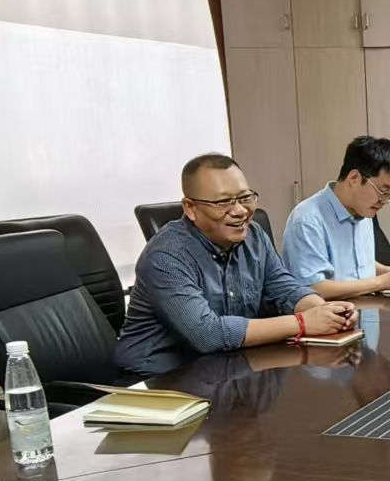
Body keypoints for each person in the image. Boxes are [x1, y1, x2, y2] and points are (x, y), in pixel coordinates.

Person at [114, 153, 357, 378]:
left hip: (224, 369)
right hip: (156, 383)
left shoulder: (254, 236)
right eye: (223, 202)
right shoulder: (166, 256)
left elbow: (284, 287)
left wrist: (327, 312)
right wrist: (303, 323)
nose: (240, 211)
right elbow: (208, 334)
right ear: (191, 208)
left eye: (245, 198)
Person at [283, 136, 390, 298]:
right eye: (383, 191)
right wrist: (381, 282)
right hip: (333, 312)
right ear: (354, 178)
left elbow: (359, 265)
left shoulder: (362, 211)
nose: (385, 201)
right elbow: (314, 288)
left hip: (366, 308)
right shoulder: (307, 220)